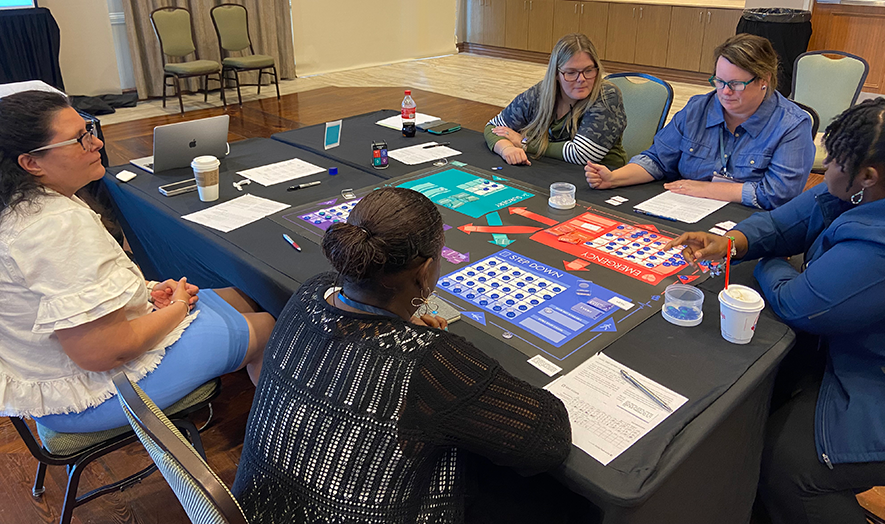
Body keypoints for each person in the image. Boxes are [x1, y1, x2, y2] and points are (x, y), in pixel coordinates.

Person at [233, 187, 573, 524]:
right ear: (424, 272)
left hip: (252, 511)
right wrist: (426, 346)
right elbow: (548, 440)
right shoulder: (430, 363)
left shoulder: (311, 291)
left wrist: (402, 321)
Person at [665, 99, 885, 524]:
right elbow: (779, 224)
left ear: (868, 176)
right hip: (861, 356)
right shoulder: (857, 192)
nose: (824, 170)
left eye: (834, 162)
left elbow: (800, 302)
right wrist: (733, 241)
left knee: (785, 466)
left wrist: (767, 263)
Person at [0, 91, 275, 433]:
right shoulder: (56, 225)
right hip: (91, 394)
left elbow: (76, 291)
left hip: (65, 369)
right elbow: (102, 353)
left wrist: (148, 290)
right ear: (31, 163)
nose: (96, 142)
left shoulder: (25, 205)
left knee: (246, 297)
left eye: (88, 129)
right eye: (79, 139)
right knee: (268, 328)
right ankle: (276, 449)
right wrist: (174, 308)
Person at [584, 34, 815, 209]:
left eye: (735, 84)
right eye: (719, 81)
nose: (724, 92)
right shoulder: (698, 109)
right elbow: (657, 159)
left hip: (749, 224)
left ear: (764, 80)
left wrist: (707, 189)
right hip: (686, 212)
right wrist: (614, 178)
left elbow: (777, 194)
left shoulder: (791, 126)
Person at [484, 33, 627, 167]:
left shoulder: (607, 96)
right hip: (550, 170)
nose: (581, 79)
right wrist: (506, 148)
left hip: (600, 181)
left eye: (588, 70)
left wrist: (524, 143)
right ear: (556, 74)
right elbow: (493, 126)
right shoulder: (541, 93)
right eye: (571, 73)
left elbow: (582, 154)